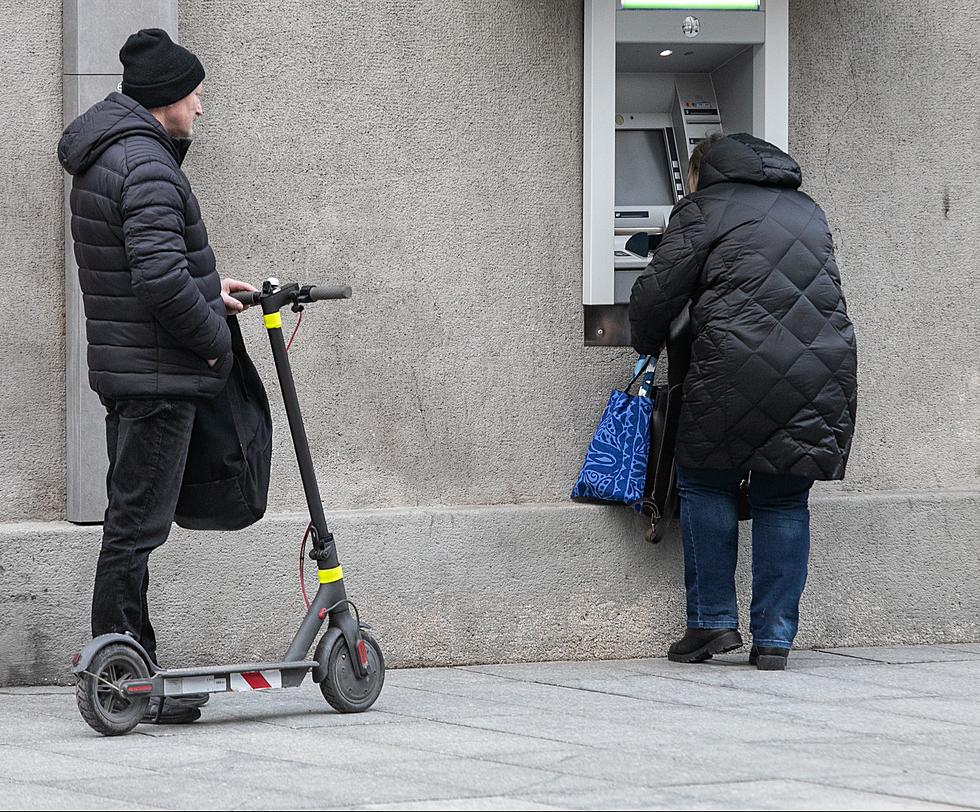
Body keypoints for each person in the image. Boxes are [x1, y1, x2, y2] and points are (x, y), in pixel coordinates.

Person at [58, 29, 257, 721]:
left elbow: (156, 268)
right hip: (158, 378)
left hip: (133, 372)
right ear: (169, 96)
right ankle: (120, 673)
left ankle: (129, 666)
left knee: (132, 522)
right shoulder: (145, 163)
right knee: (135, 528)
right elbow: (158, 281)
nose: (201, 108)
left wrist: (211, 287)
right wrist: (214, 346)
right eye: (196, 94)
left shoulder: (113, 156)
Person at [629, 133, 857, 671]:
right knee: (784, 497)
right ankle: (774, 639)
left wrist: (644, 341)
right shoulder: (807, 208)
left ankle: (710, 623)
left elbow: (658, 292)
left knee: (707, 479)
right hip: (820, 367)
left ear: (702, 171)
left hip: (735, 362)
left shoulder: (703, 208)